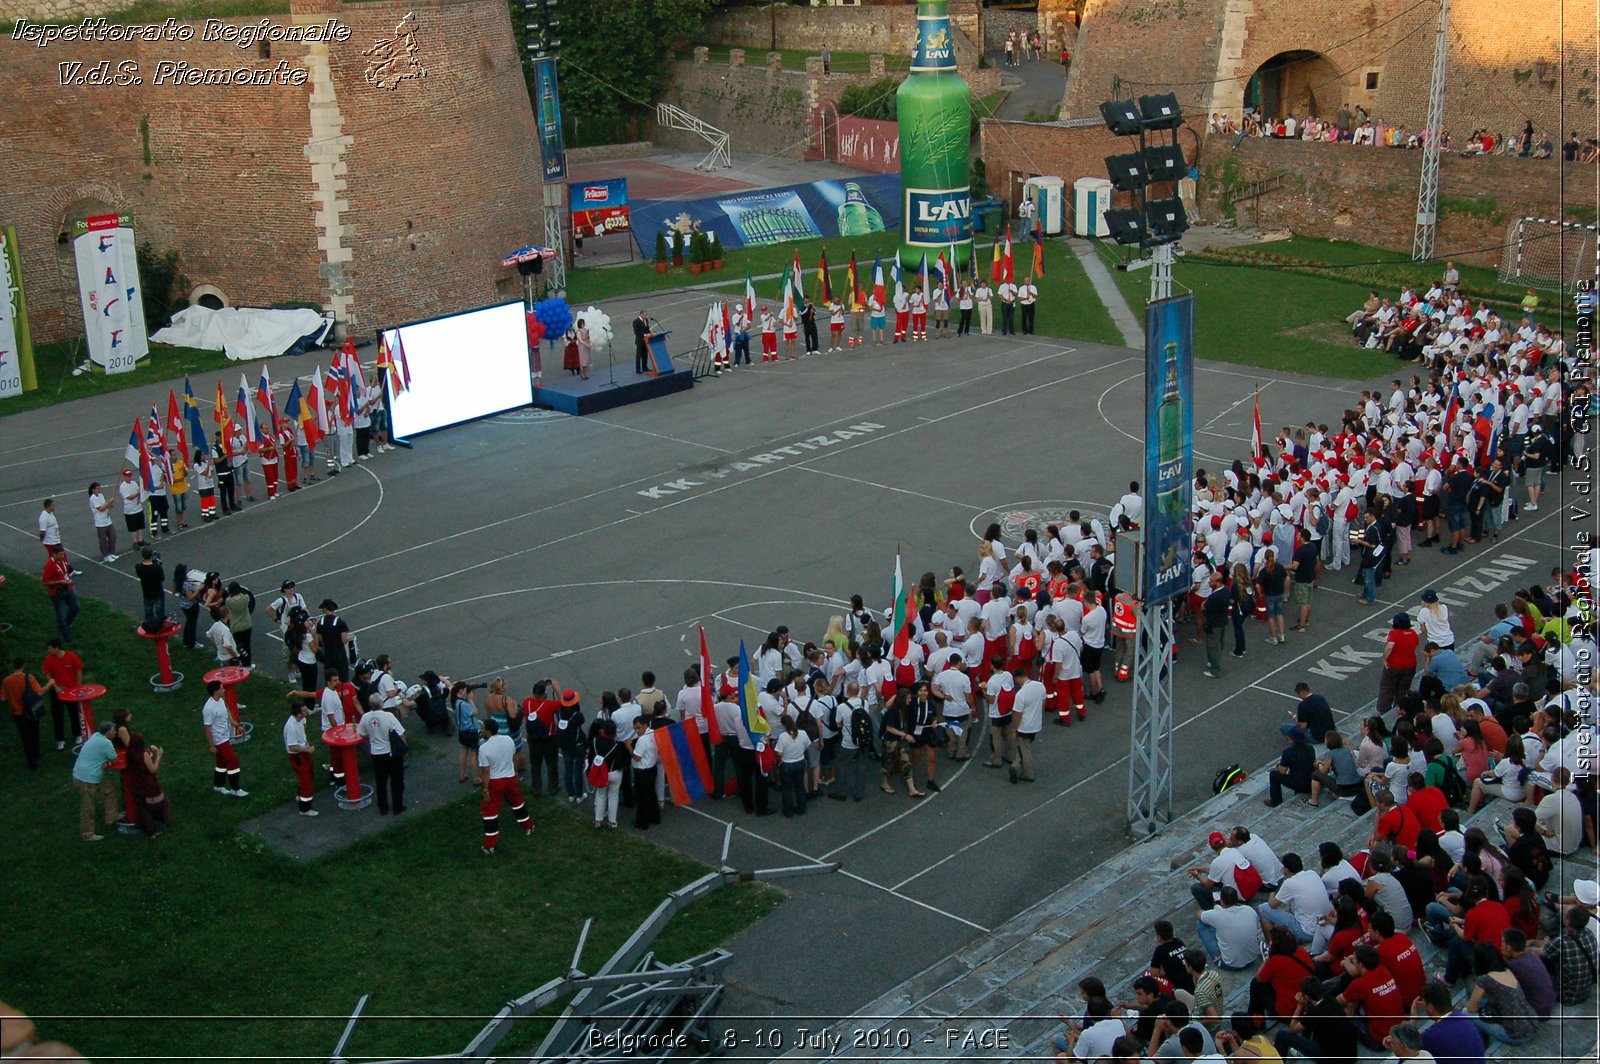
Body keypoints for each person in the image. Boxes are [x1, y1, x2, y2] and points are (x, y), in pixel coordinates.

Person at [477, 717, 531, 853]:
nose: (482, 730)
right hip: (510, 777)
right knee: (517, 803)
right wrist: (515, 773)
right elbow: (513, 757)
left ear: (488, 731)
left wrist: (485, 789)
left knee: (490, 812)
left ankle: (490, 844)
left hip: (495, 781)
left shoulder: (484, 748)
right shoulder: (508, 740)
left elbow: (485, 771)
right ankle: (528, 825)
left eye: (483, 728)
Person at [71, 720, 122, 841]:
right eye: (114, 730)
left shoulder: (95, 736)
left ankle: (112, 816)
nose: (115, 732)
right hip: (86, 779)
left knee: (110, 788)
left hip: (85, 774)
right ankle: (87, 834)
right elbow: (115, 760)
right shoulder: (106, 743)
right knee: (88, 806)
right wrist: (108, 761)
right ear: (109, 732)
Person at [358, 693, 407, 815]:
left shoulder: (365, 717)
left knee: (380, 782)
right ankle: (397, 806)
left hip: (376, 754)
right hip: (391, 753)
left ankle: (383, 807)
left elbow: (362, 734)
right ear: (382, 704)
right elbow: (400, 733)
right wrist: (404, 748)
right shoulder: (389, 716)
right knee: (396, 781)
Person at [1197, 886, 1263, 970]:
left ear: (1222, 901)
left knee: (1201, 925)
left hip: (1230, 964)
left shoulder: (1217, 915)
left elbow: (1199, 914)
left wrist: (1216, 910)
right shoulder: (1249, 910)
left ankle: (1218, 956)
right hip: (1253, 958)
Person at [201, 679, 246, 798]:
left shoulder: (220, 700)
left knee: (221, 763)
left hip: (225, 737)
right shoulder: (208, 708)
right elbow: (207, 727)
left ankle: (218, 785)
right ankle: (235, 788)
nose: (224, 690)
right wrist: (211, 745)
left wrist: (236, 725)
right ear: (215, 692)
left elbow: (227, 712)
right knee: (233, 761)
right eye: (221, 688)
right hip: (219, 740)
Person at [283, 701, 319, 816]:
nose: (307, 711)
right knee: (306, 779)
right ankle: (304, 808)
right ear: (298, 714)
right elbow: (292, 747)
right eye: (304, 710)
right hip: (297, 756)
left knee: (310, 773)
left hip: (303, 751)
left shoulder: (301, 719)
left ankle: (300, 795)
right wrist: (307, 750)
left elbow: (303, 731)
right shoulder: (291, 727)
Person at [589, 718, 627, 828]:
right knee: (613, 796)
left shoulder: (595, 741)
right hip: (613, 772)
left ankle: (598, 820)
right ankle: (612, 821)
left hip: (600, 772)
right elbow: (619, 763)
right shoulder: (615, 746)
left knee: (601, 795)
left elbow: (591, 755)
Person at [773, 710, 811, 817]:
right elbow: (807, 746)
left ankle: (788, 811)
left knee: (787, 789)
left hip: (787, 764)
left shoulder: (783, 737)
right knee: (799, 787)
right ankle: (801, 807)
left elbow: (779, 753)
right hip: (800, 762)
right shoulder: (802, 733)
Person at [628, 715, 662, 829]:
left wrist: (629, 747)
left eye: (638, 728)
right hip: (652, 768)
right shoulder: (653, 733)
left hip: (642, 772)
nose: (637, 731)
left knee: (642, 798)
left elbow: (637, 757)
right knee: (651, 794)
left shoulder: (642, 740)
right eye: (635, 729)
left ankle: (642, 822)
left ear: (644, 725)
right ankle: (655, 817)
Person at [41, 545, 79, 643]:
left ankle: (66, 624)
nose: (62, 556)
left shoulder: (64, 561)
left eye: (63, 554)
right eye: (60, 555)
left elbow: (65, 572)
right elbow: (45, 582)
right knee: (61, 614)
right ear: (54, 555)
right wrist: (59, 582)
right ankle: (66, 635)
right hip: (57, 592)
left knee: (76, 607)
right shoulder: (49, 566)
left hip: (68, 587)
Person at [453, 681, 482, 785]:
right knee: (474, 755)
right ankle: (476, 778)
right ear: (461, 690)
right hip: (471, 731)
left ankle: (462, 775)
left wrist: (471, 696)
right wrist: (470, 699)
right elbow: (475, 712)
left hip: (462, 731)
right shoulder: (464, 704)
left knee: (464, 753)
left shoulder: (457, 702)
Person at [87, 482, 116, 562]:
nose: (99, 490)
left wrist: (110, 504)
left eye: (99, 488)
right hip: (100, 522)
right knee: (103, 540)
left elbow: (105, 505)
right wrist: (109, 502)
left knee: (113, 536)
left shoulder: (101, 495)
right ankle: (105, 555)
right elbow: (101, 509)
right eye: (97, 488)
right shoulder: (93, 498)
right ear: (93, 490)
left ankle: (111, 552)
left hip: (107, 520)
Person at [633, 309, 651, 374]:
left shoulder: (646, 320)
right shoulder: (636, 322)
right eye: (645, 315)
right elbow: (636, 332)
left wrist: (650, 333)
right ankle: (638, 369)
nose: (646, 316)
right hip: (640, 341)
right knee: (638, 355)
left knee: (645, 354)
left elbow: (647, 329)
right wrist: (645, 335)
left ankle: (645, 367)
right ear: (641, 314)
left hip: (646, 341)